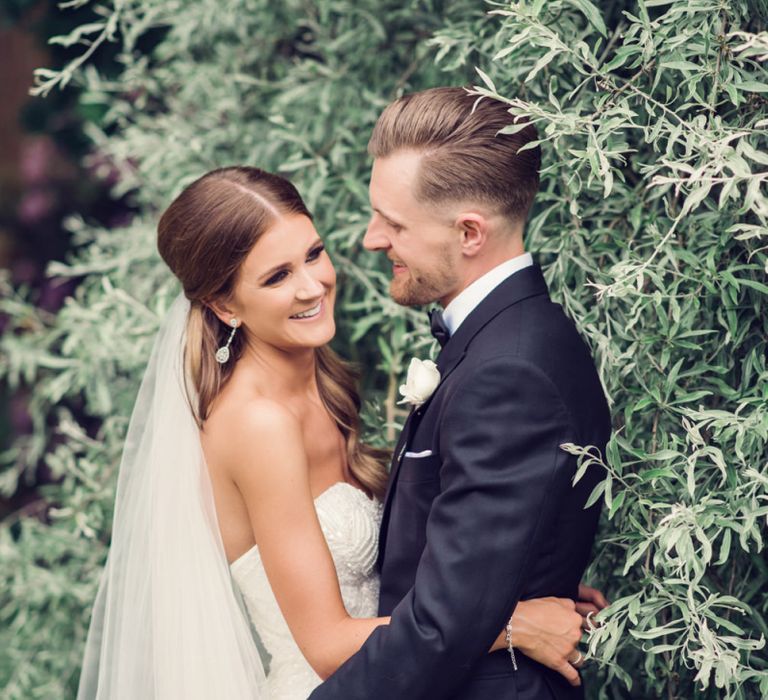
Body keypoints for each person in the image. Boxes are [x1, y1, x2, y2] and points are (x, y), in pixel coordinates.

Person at [76, 166, 594, 700]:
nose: (312, 285)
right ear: (224, 305)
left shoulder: (322, 383)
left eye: (313, 254)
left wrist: (503, 579)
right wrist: (507, 624)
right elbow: (325, 646)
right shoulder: (259, 425)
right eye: (277, 277)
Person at [308, 88, 612, 700]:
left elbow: (442, 626)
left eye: (392, 222)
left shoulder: (512, 373)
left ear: (469, 232)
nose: (371, 239)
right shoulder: (500, 344)